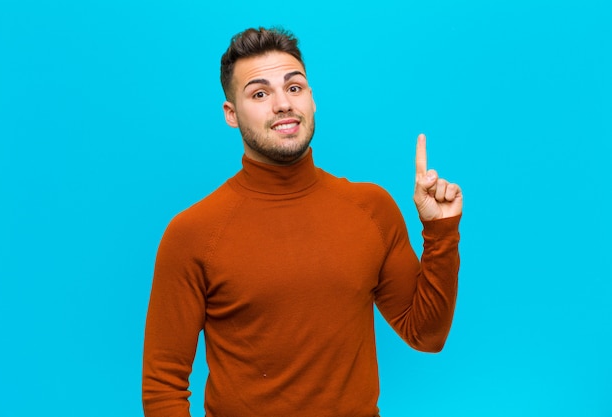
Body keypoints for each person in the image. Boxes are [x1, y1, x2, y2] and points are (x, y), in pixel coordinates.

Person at [142, 27, 462, 417]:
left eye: (294, 87)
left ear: (312, 99)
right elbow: (163, 386)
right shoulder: (192, 233)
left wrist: (440, 233)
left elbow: (426, 334)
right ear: (231, 114)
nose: (282, 104)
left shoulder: (371, 208)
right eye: (259, 94)